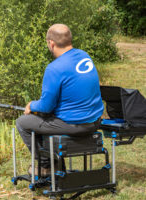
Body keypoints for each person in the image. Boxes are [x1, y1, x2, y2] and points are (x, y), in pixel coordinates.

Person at [16, 24, 103, 176]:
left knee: (23, 122)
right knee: (43, 117)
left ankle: (46, 167)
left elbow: (46, 106)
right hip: (95, 122)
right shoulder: (84, 56)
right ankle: (53, 163)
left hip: (75, 125)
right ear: (69, 39)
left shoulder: (54, 68)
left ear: (51, 43)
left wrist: (31, 105)